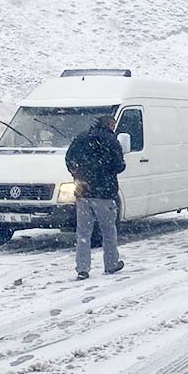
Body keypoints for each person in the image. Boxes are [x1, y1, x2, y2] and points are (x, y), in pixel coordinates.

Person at [64, 114, 126, 280]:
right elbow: (119, 166)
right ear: (110, 125)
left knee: (83, 233)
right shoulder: (111, 141)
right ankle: (111, 263)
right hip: (104, 193)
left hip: (83, 193)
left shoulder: (81, 138)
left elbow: (69, 159)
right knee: (108, 231)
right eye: (113, 124)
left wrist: (78, 175)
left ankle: (82, 269)